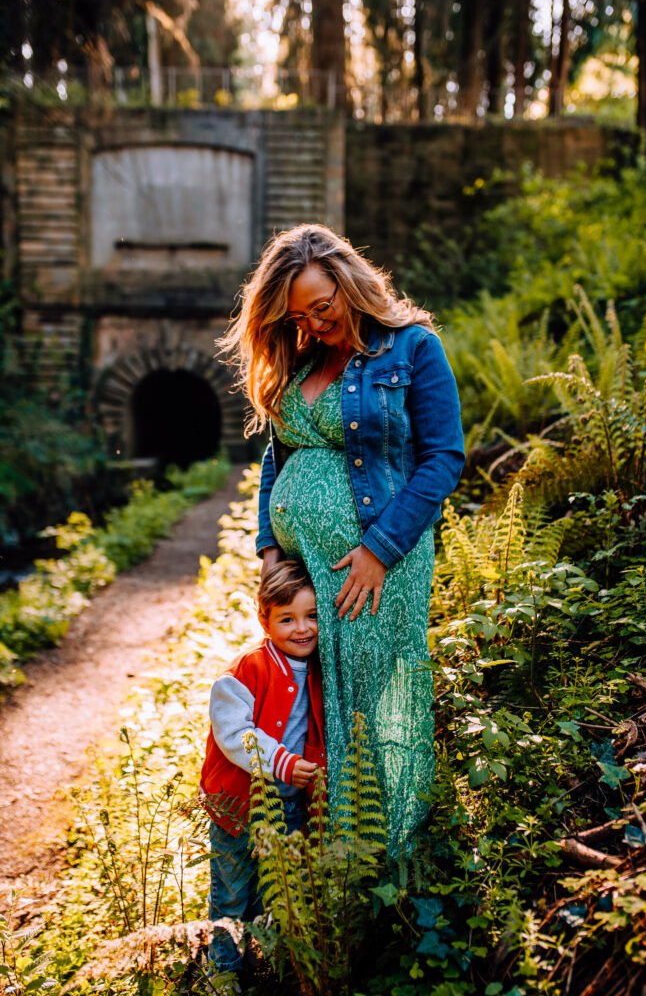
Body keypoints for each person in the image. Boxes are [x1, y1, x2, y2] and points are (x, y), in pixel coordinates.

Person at [220, 223, 465, 856]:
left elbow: (442, 459)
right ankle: (326, 850)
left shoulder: (413, 348)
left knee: (374, 701)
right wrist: (270, 545)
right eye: (298, 314)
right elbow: (280, 455)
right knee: (312, 704)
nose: (314, 323)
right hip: (304, 568)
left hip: (375, 562)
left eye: (322, 307)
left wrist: (380, 550)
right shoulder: (301, 357)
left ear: (349, 282)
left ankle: (393, 856)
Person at [200, 559, 326, 977]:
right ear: (264, 620)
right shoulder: (247, 669)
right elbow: (234, 733)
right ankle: (223, 968)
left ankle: (257, 959)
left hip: (289, 803)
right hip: (237, 803)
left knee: (273, 886)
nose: (302, 629)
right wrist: (284, 764)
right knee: (232, 890)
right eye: (287, 619)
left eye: (312, 616)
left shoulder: (325, 668)